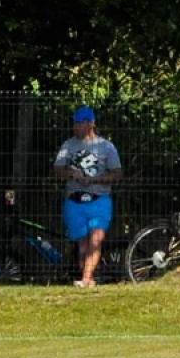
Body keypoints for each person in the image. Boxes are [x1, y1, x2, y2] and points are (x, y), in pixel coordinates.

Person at [53, 105, 122, 287]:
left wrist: (98, 180)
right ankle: (88, 279)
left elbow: (117, 173)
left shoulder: (106, 147)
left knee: (96, 238)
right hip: (74, 199)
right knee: (83, 244)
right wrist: (71, 173)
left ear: (91, 124)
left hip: (99, 199)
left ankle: (85, 279)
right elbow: (57, 171)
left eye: (79, 123)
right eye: (74, 123)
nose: (75, 127)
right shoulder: (68, 145)